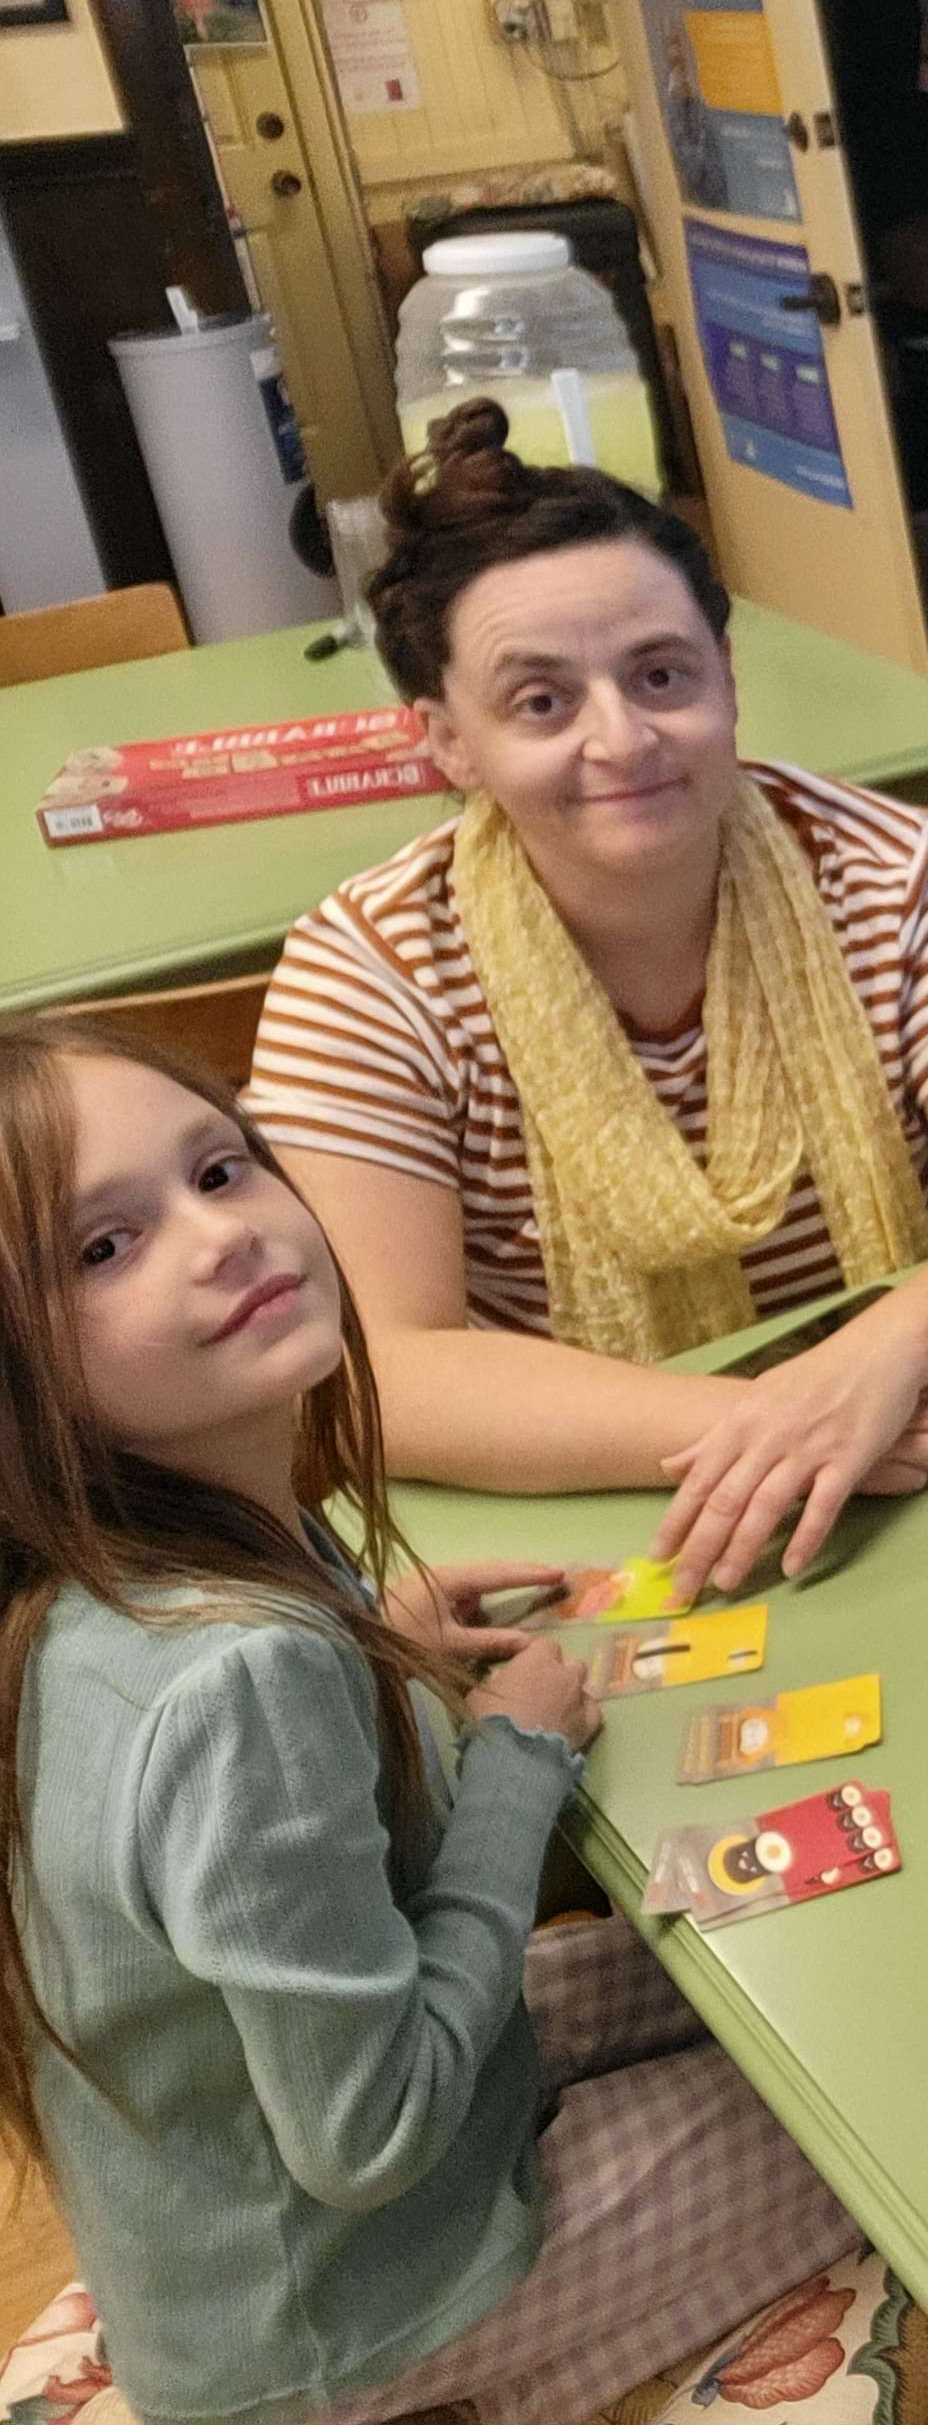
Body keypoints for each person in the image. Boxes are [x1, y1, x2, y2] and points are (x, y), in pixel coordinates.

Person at [0, 1013, 881, 2423]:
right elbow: (376, 2130)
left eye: (221, 1172)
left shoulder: (129, 1574)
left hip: (247, 2249)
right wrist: (517, 1762)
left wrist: (379, 1647)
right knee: (881, 2108)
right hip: (348, 2329)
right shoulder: (236, 1672)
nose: (218, 1236)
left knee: (791, 1980)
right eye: (103, 1248)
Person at [245, 402, 928, 1603]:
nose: (625, 738)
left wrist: (884, 1356)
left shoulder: (886, 868)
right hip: (613, 1512)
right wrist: (782, 1422)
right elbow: (375, 1374)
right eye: (541, 702)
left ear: (726, 677)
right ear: (447, 744)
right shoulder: (371, 970)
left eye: (662, 675)